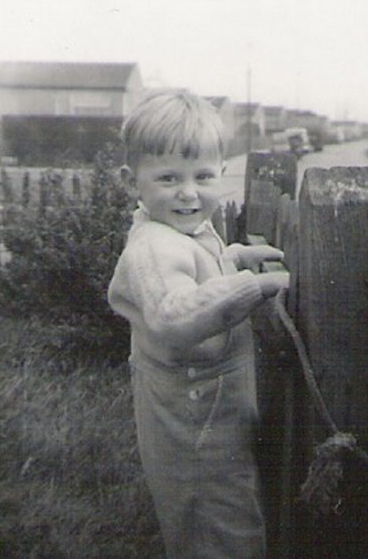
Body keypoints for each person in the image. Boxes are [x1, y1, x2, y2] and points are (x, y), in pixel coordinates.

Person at [107, 90, 289, 558]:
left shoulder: (183, 231)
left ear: (221, 174)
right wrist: (253, 287)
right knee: (215, 520)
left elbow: (196, 269)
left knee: (227, 506)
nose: (188, 192)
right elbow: (174, 313)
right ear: (133, 182)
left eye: (202, 176)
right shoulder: (152, 247)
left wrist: (232, 258)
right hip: (192, 419)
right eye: (168, 177)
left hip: (207, 406)